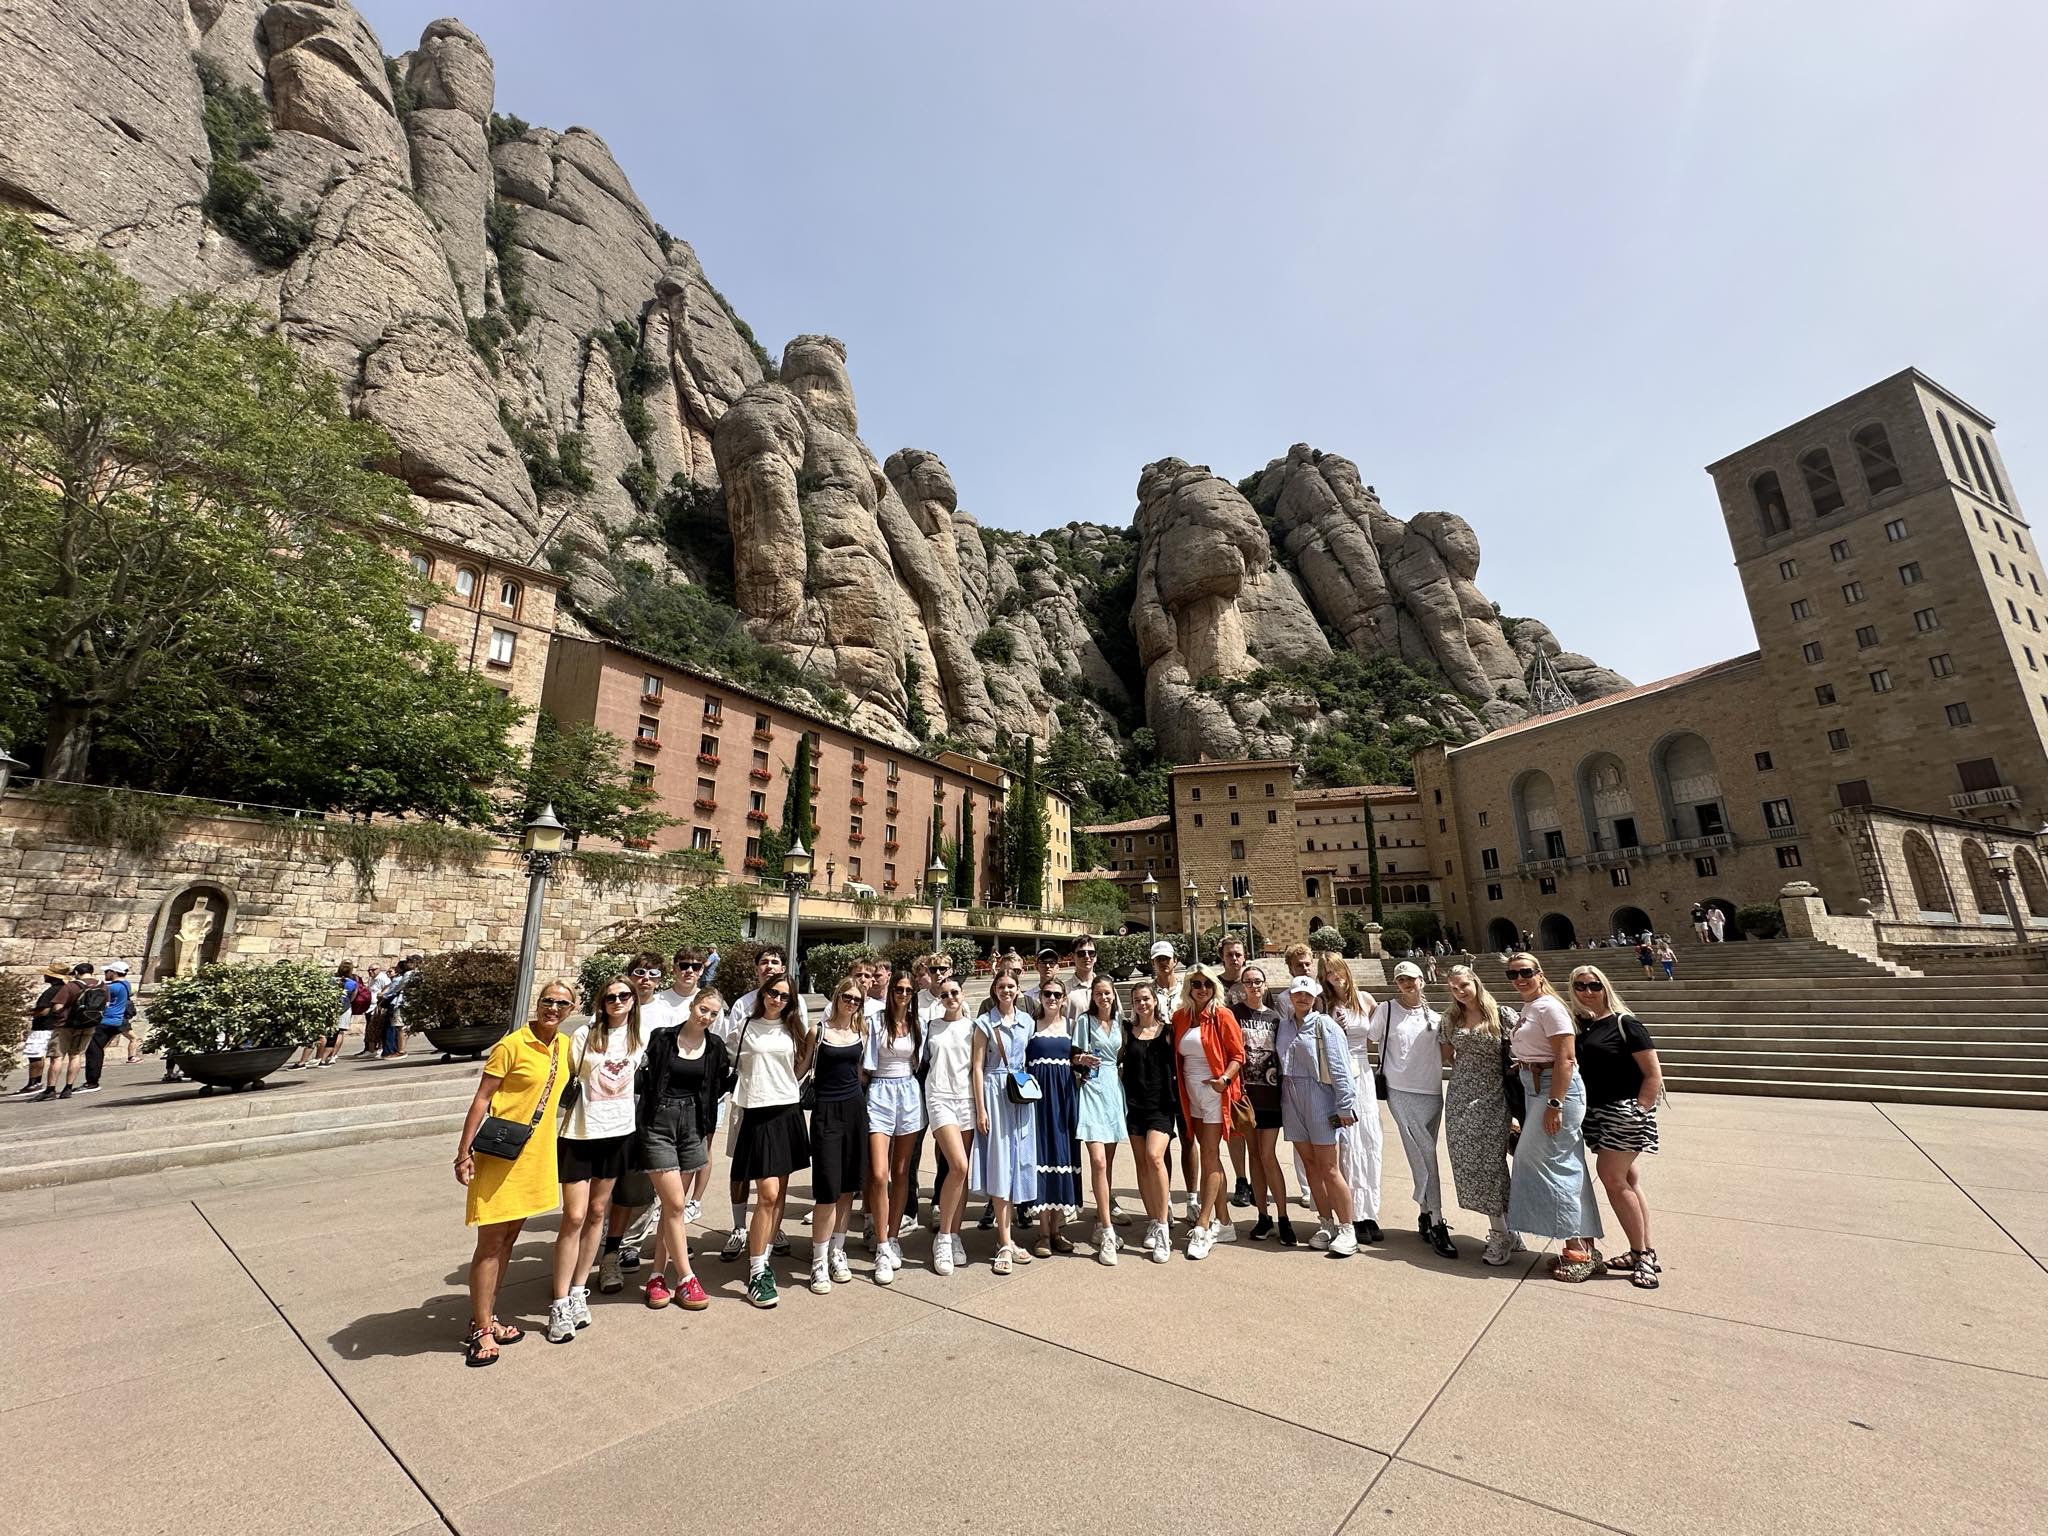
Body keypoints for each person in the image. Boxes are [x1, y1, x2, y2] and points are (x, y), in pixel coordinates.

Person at [453, 978, 574, 1366]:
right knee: (490, 1243)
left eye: (562, 1004)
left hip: (534, 1157)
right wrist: (463, 1152)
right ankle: (481, 1329)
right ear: (537, 1003)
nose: (553, 1008)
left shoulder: (564, 1046)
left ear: (571, 1010)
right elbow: (482, 1099)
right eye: (547, 1001)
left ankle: (487, 1315)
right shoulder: (512, 1044)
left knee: (508, 1241)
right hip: (500, 1154)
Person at [547, 973, 645, 1341]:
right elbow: (566, 1076)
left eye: (624, 996)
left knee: (597, 1213)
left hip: (618, 1133)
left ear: (633, 1000)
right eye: (610, 997)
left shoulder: (640, 1037)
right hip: (581, 1133)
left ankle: (577, 1290)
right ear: (601, 1003)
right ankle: (559, 1301)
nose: (617, 1002)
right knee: (574, 1216)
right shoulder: (584, 1035)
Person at [1503, 953, 1604, 1281]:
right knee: (1564, 1163)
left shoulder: (1549, 1007)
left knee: (1550, 1165)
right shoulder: (1531, 1007)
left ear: (1539, 973)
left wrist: (1556, 1103)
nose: (1519, 979)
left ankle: (1577, 1251)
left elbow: (1566, 1058)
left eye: (1525, 972)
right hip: (1537, 1087)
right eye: (1513, 974)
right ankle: (1585, 1246)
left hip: (1554, 1089)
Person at [1568, 965, 1665, 1289]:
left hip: (1623, 1111)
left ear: (1604, 987)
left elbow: (1652, 1074)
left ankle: (1642, 1256)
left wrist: (1640, 1110)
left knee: (1611, 1177)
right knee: (1628, 1180)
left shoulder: (1626, 1024)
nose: (1587, 991)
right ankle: (1644, 1249)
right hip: (1595, 1113)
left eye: (1594, 985)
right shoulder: (1584, 1026)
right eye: (1580, 985)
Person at [634, 988, 727, 1315]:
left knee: (672, 1208)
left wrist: (706, 1127)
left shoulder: (715, 1046)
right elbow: (644, 1079)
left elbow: (717, 1085)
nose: (707, 1017)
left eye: (713, 1013)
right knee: (674, 1203)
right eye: (703, 1009)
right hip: (658, 1124)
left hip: (692, 1126)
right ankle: (686, 1277)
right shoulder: (662, 1038)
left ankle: (657, 1277)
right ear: (692, 1006)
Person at [728, 970, 814, 1307]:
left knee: (778, 1196)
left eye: (784, 996)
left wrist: (793, 1081)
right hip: (757, 1112)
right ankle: (757, 1269)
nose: (777, 999)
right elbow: (727, 1060)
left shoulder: (793, 1028)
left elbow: (802, 1063)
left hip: (787, 1111)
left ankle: (763, 1259)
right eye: (773, 993)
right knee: (767, 1194)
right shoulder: (744, 1027)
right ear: (763, 993)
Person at [1372, 962, 1458, 1259]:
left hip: (1431, 1092)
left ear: (1422, 980)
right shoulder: (1386, 1010)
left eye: (1411, 979)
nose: (1407, 984)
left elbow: (1446, 1054)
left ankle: (1424, 1212)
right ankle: (1437, 1219)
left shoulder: (1436, 1018)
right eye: (1401, 980)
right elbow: (1368, 1037)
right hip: (1400, 1090)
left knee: (1422, 1154)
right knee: (1426, 1154)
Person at [1440, 964, 1520, 1265]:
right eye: (1454, 988)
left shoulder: (1502, 1015)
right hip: (1461, 1097)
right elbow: (1447, 1056)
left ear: (1475, 983)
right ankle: (1507, 1229)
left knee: (1491, 1164)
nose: (1460, 992)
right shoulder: (1450, 1019)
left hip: (1495, 1096)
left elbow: (1520, 1052)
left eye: (1464, 985)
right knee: (1469, 1163)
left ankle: (1501, 1233)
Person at [1277, 976, 1359, 1256]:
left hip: (1320, 1096)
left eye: (1307, 994)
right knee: (1310, 1165)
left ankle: (1347, 1227)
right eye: (1297, 994)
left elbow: (1340, 1065)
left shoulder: (1325, 1025)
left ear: (1315, 997)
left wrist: (1345, 1104)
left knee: (1329, 1167)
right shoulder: (1284, 1025)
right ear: (1291, 996)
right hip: (1291, 1097)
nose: (1302, 998)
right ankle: (1326, 1222)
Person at [1170, 967, 1245, 1259]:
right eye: (1197, 984)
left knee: (1211, 1155)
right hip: (1191, 1094)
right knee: (1208, 1154)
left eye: (1207, 984)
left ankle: (1203, 1223)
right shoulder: (1180, 1017)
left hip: (1215, 1092)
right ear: (1188, 987)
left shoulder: (1222, 1015)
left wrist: (1224, 1079)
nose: (1202, 989)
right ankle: (1224, 1222)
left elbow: (1238, 1055)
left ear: (1215, 987)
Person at [969, 972, 1038, 1273]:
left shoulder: (1028, 1022)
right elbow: (977, 1067)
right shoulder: (985, 1023)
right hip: (995, 1095)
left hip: (1019, 1096)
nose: (1006, 990)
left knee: (1018, 1164)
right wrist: (981, 1109)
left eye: (1011, 986)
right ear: (994, 990)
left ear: (1018, 990)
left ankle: (1006, 1238)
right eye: (1001, 987)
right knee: (1000, 1166)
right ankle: (1005, 1241)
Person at [807, 982, 870, 1294]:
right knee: (827, 1190)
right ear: (837, 997)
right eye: (847, 997)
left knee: (847, 1188)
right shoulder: (818, 1032)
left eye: (857, 999)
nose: (852, 1002)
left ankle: (837, 1251)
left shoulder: (862, 1033)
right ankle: (818, 1261)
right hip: (826, 1112)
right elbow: (800, 1068)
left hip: (855, 1110)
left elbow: (862, 1072)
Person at [1317, 953, 1382, 1245]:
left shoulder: (1365, 1000)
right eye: (1328, 973)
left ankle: (1370, 1213)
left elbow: (1377, 1035)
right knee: (1348, 1146)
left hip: (1364, 1074)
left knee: (1369, 1142)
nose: (1335, 976)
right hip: (1341, 1076)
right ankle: (1352, 1215)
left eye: (1337, 970)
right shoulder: (1325, 1004)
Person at [864, 972, 925, 1284]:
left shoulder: (917, 1023)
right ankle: (881, 1244)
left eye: (908, 990)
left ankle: (892, 1236)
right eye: (899, 989)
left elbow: (918, 1060)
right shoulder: (876, 1021)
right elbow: (866, 1065)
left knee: (902, 1172)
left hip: (908, 1092)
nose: (903, 994)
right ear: (891, 992)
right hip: (880, 1091)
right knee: (878, 1174)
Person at [920, 972, 976, 1276]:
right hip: (940, 1098)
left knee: (962, 1172)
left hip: (966, 1100)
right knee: (958, 1165)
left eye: (955, 992)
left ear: (963, 995)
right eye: (945, 994)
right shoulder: (931, 1026)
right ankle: (942, 1237)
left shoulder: (973, 1027)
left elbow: (978, 1067)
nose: (950, 998)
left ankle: (955, 1234)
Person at [651, 945, 712, 1223]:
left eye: (696, 966)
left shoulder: (709, 1003)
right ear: (674, 968)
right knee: (660, 1158)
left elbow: (719, 1046)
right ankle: (662, 1208)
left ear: (702, 970)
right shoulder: (659, 1001)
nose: (689, 971)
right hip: (662, 1095)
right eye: (684, 965)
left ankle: (691, 1204)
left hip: (698, 1094)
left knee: (699, 1154)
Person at [1233, 963, 1291, 1243]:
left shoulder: (1276, 1018)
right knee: (1254, 1155)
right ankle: (1263, 1216)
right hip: (1246, 1099)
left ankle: (1283, 1216)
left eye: (1258, 981)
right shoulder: (1234, 1014)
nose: (1254, 986)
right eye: (1248, 982)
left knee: (1268, 1155)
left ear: (1265, 984)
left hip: (1270, 1097)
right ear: (1242, 986)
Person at [1119, 982, 1176, 1263]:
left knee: (1155, 1157)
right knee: (1142, 1164)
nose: (1142, 1004)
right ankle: (1153, 1218)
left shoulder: (1168, 1032)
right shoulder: (1127, 1033)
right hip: (1134, 1106)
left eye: (1146, 999)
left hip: (1161, 1106)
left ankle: (1163, 1226)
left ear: (1155, 1001)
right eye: (1137, 1000)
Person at [1217, 936, 1256, 1209]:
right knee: (1235, 1128)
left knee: (1255, 1128)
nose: (1234, 958)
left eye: (1238, 954)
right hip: (1228, 1063)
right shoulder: (1215, 985)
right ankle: (1242, 1180)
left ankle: (1258, 1180)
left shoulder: (1254, 982)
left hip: (1256, 1065)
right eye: (1230, 954)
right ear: (1222, 956)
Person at [39, 963, 98, 1101]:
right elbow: (105, 1005)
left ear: (77, 972)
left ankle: (50, 1089)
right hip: (88, 1025)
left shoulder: (71, 986)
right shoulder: (101, 986)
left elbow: (57, 1007)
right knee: (76, 1056)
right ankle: (68, 1088)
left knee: (57, 1057)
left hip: (65, 1025)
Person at [17, 964, 68, 1095]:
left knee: (35, 1054)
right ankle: (36, 1082)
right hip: (55, 1026)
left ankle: (34, 1083)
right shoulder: (64, 988)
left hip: (43, 1027)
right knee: (42, 1055)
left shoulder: (51, 991)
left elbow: (44, 1011)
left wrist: (26, 1012)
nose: (44, 976)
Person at [81, 961, 131, 1089]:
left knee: (94, 1051)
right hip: (116, 1021)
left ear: (113, 972)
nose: (105, 974)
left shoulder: (112, 987)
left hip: (106, 1021)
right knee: (97, 1049)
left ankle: (92, 1082)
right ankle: (92, 1080)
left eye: (107, 971)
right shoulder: (126, 984)